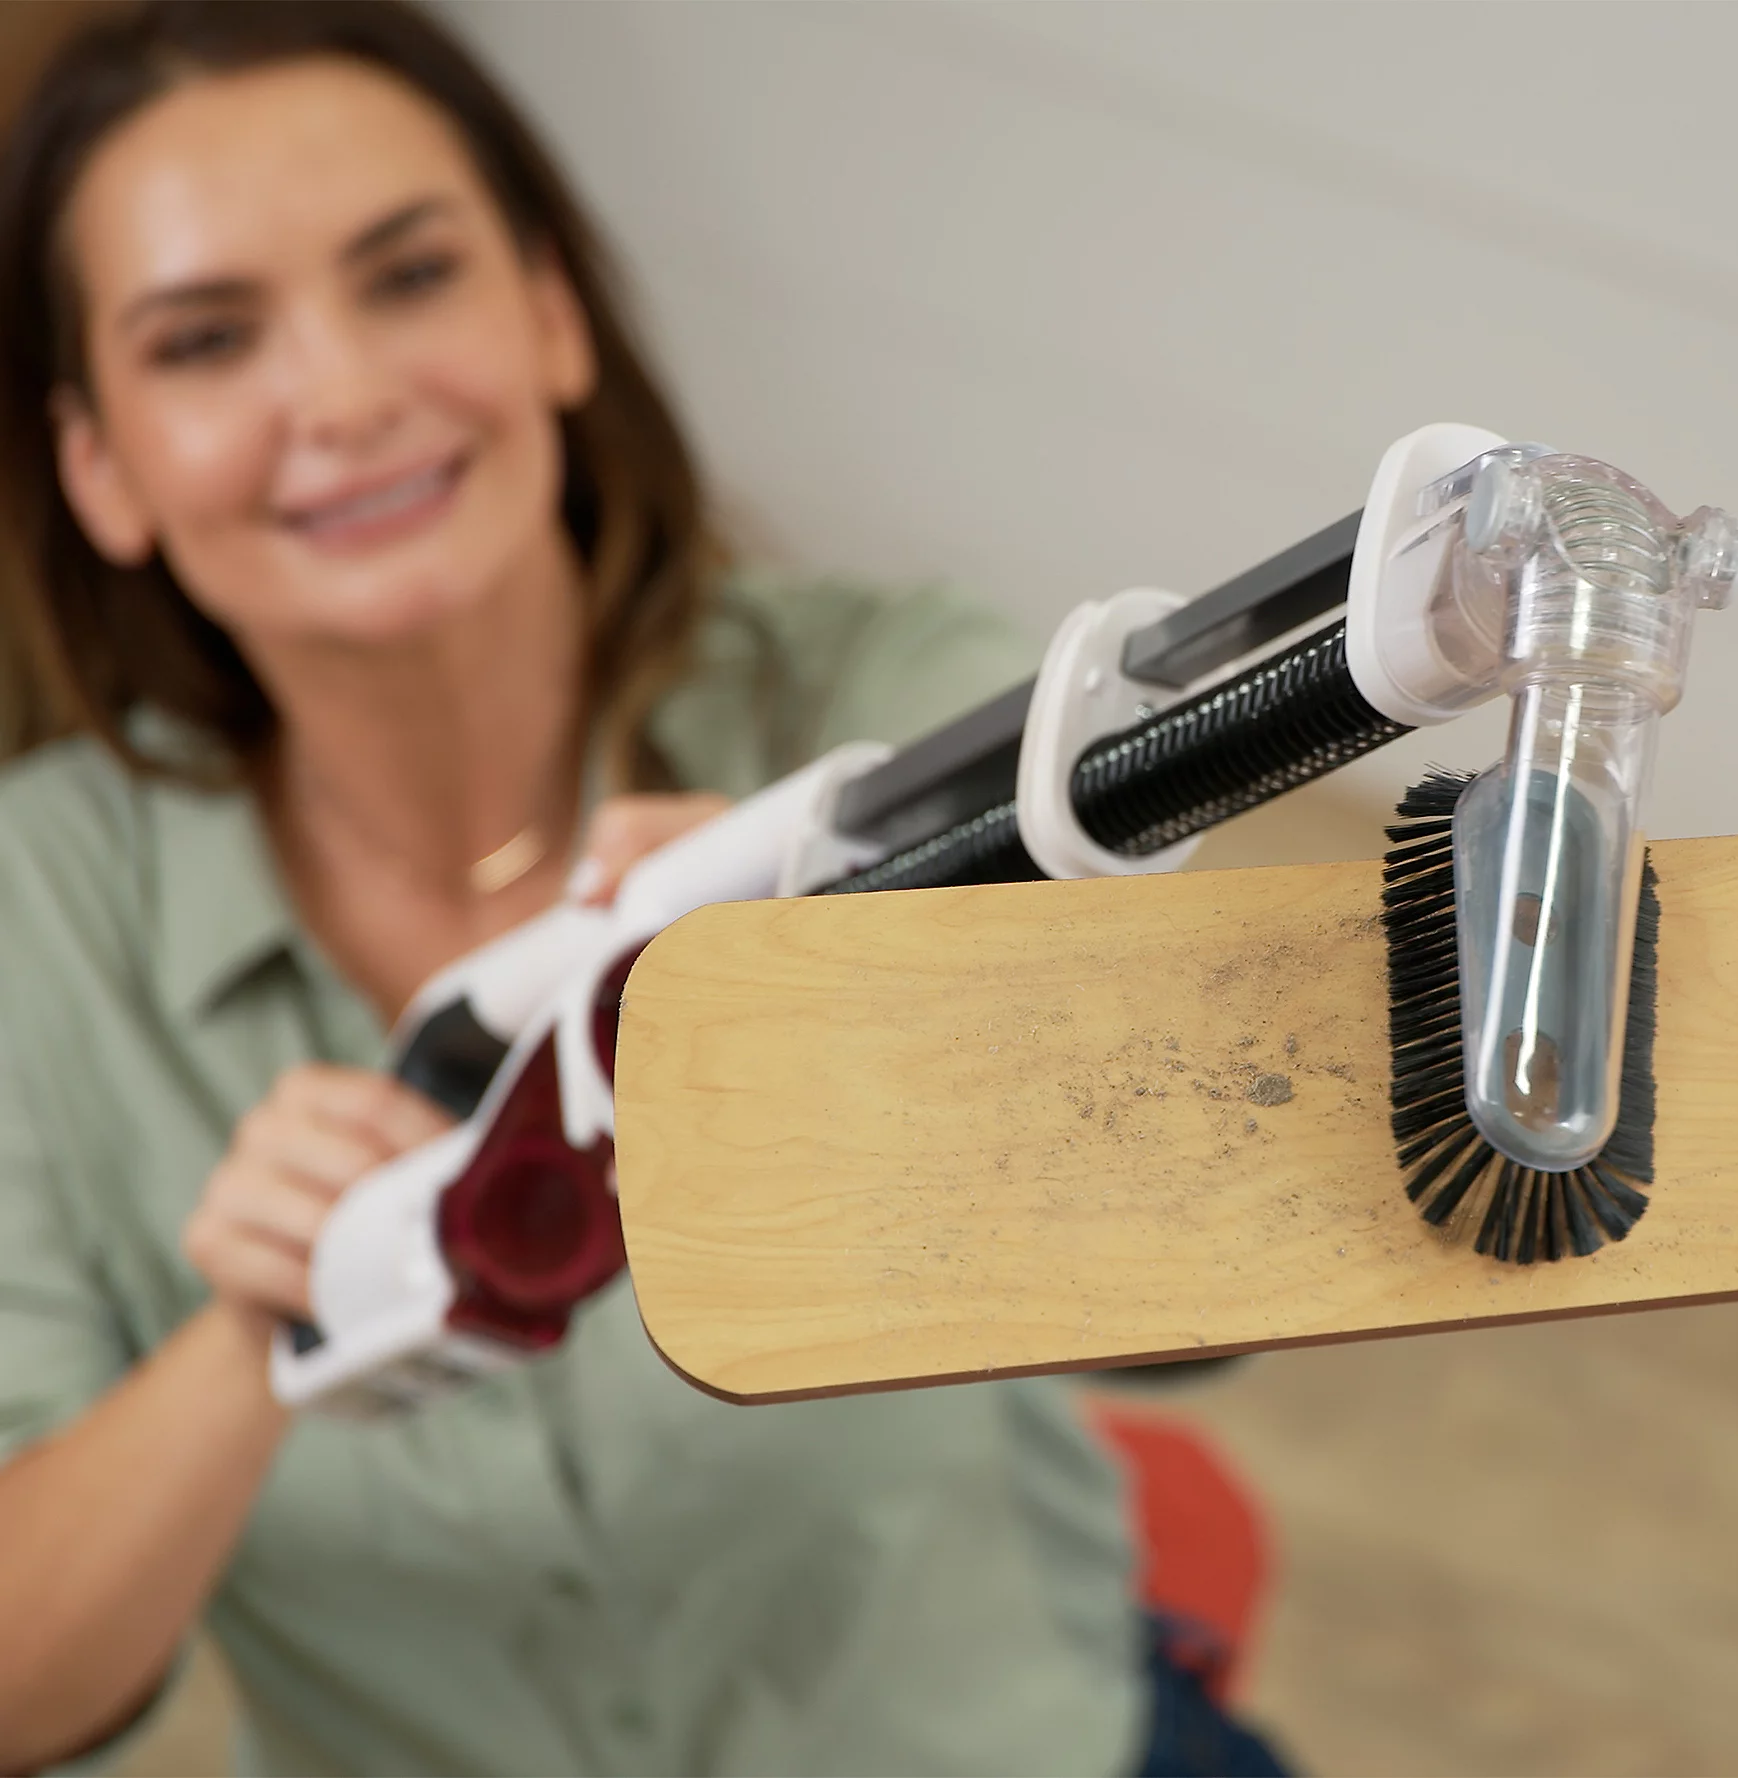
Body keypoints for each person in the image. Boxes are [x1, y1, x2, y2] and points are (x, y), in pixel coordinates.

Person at [0, 5, 1290, 1775]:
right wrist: (254, 1337)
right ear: (100, 465)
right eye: (208, 339)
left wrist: (877, 1048)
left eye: (409, 276)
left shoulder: (891, 705)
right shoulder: (33, 917)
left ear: (548, 313)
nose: (345, 396)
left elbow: (1222, 1272)